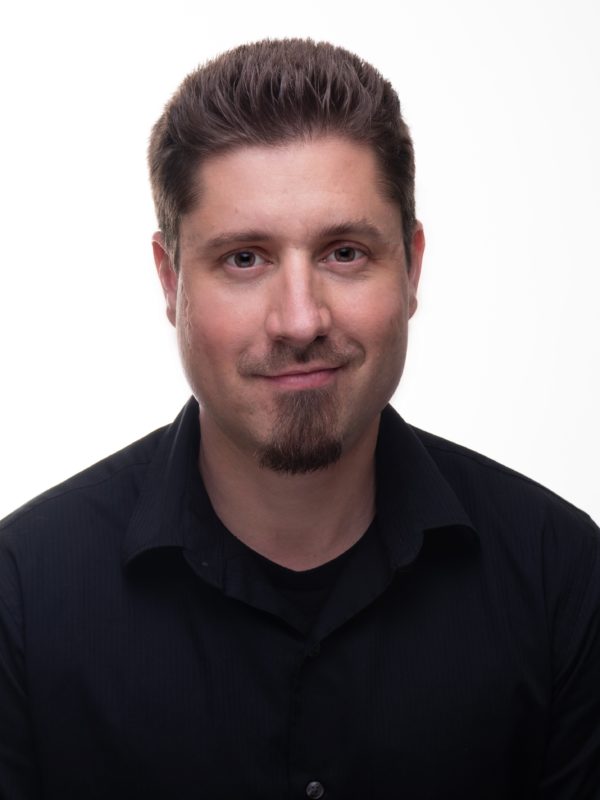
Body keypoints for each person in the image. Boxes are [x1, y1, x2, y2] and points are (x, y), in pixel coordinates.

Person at [0, 38, 598, 800]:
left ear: (411, 268)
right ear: (169, 279)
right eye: (244, 259)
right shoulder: (22, 596)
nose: (299, 318)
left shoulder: (562, 579)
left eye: (344, 252)